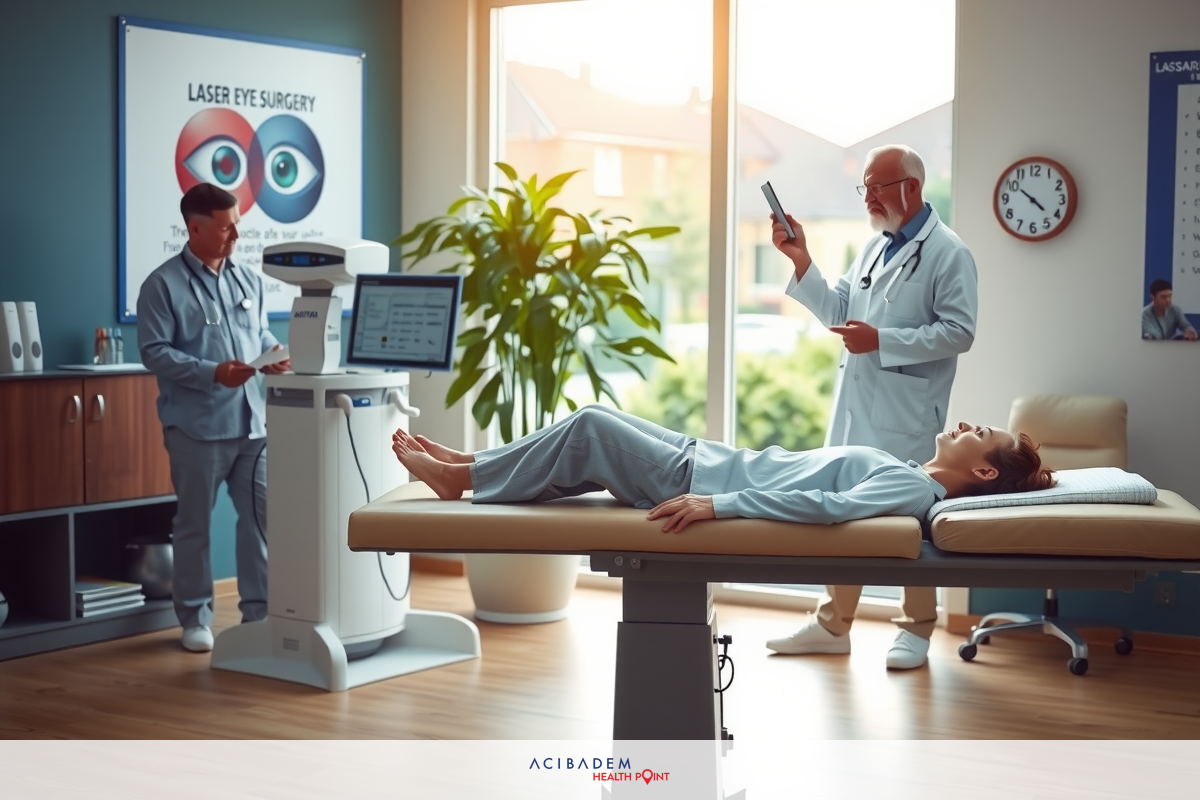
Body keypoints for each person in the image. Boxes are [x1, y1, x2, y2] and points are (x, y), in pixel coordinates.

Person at [767, 144, 979, 669]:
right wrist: (802, 260)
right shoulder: (874, 246)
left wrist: (881, 340)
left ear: (912, 186)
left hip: (908, 413)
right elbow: (840, 310)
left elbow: (960, 331)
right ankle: (832, 625)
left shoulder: (950, 253)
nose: (867, 197)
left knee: (907, 520)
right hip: (859, 406)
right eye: (863, 187)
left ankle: (916, 628)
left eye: (876, 186)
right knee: (846, 514)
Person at [389, 405, 1053, 532]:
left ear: (987, 475)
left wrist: (721, 505)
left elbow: (827, 511)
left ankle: (464, 477)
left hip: (702, 482)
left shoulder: (912, 488)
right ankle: (469, 464)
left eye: (981, 434)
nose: (968, 425)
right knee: (589, 424)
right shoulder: (911, 473)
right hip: (706, 461)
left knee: (590, 425)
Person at [137, 183, 291, 653]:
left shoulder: (248, 279)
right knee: (195, 526)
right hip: (197, 428)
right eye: (227, 227)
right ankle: (195, 620)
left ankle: (259, 615)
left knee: (262, 520)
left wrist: (272, 354)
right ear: (196, 227)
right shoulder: (162, 285)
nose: (236, 235)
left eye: (237, 224)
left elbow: (258, 329)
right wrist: (212, 373)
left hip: (253, 425)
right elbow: (154, 352)